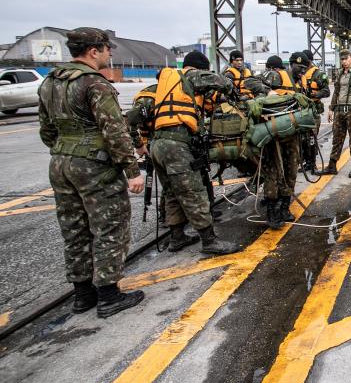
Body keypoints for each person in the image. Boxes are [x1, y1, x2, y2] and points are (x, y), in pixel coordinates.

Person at [38, 27, 145, 317]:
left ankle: (83, 295)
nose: (110, 54)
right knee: (109, 226)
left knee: (74, 228)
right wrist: (132, 170)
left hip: (60, 163)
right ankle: (109, 295)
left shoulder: (50, 82)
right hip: (94, 165)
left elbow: (46, 130)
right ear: (93, 51)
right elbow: (114, 130)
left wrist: (66, 149)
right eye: (107, 49)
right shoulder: (94, 83)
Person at [150, 50, 240, 254]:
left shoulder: (170, 83)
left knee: (172, 193)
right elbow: (221, 81)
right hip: (177, 145)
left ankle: (177, 237)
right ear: (199, 67)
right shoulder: (191, 75)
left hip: (158, 144)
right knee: (194, 192)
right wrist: (230, 88)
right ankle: (209, 241)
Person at [258, 55, 303, 227]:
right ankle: (272, 210)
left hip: (292, 134)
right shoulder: (274, 75)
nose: (302, 71)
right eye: (299, 67)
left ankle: (284, 206)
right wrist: (269, 91)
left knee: (291, 170)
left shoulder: (298, 82)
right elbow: (251, 82)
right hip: (273, 133)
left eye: (304, 68)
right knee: (273, 172)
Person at [317, 49, 351, 178]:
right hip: (340, 110)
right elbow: (336, 92)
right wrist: (331, 109)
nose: (344, 61)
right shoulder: (339, 73)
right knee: (337, 138)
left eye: (346, 59)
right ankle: (332, 166)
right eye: (342, 59)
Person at [293, 50, 330, 174]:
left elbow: (327, 91)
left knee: (312, 139)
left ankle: (312, 163)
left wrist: (316, 94)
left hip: (313, 113)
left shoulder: (318, 74)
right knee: (302, 139)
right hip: (301, 112)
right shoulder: (298, 75)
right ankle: (306, 162)